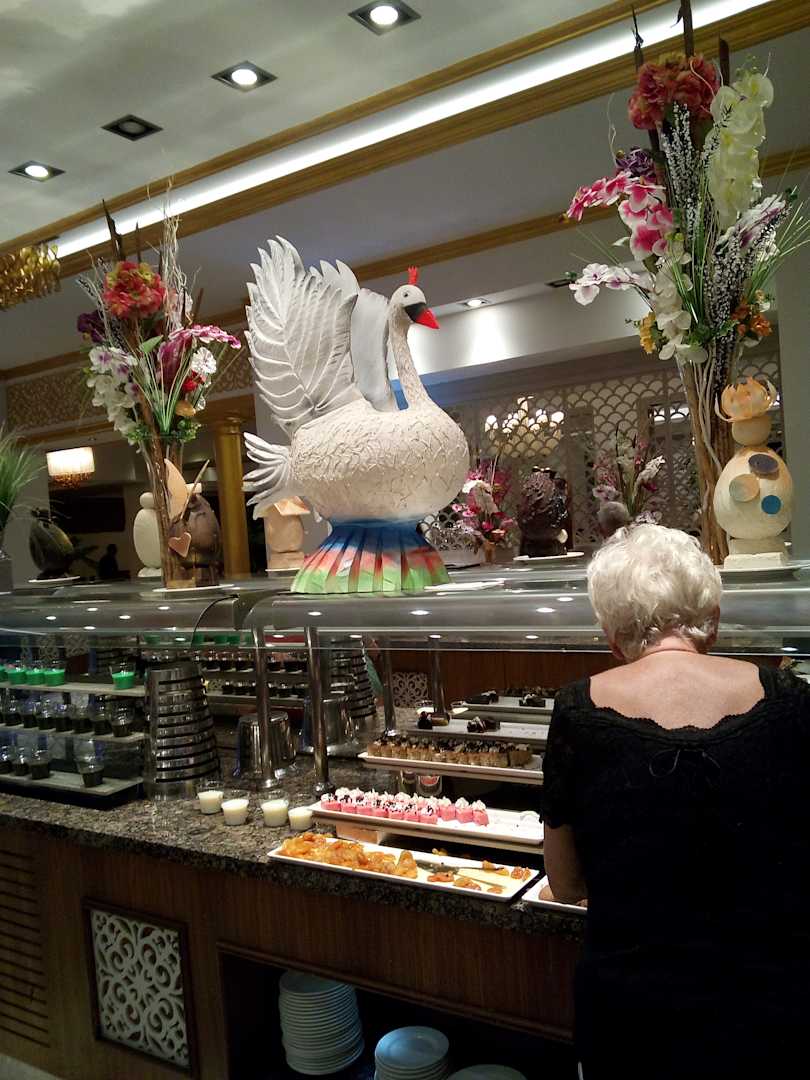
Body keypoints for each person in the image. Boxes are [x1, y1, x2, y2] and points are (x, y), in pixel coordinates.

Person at [542, 524, 810, 1079]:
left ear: (612, 636)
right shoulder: (791, 699)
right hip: (770, 1012)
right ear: (712, 618)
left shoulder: (576, 712)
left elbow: (565, 884)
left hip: (630, 1020)